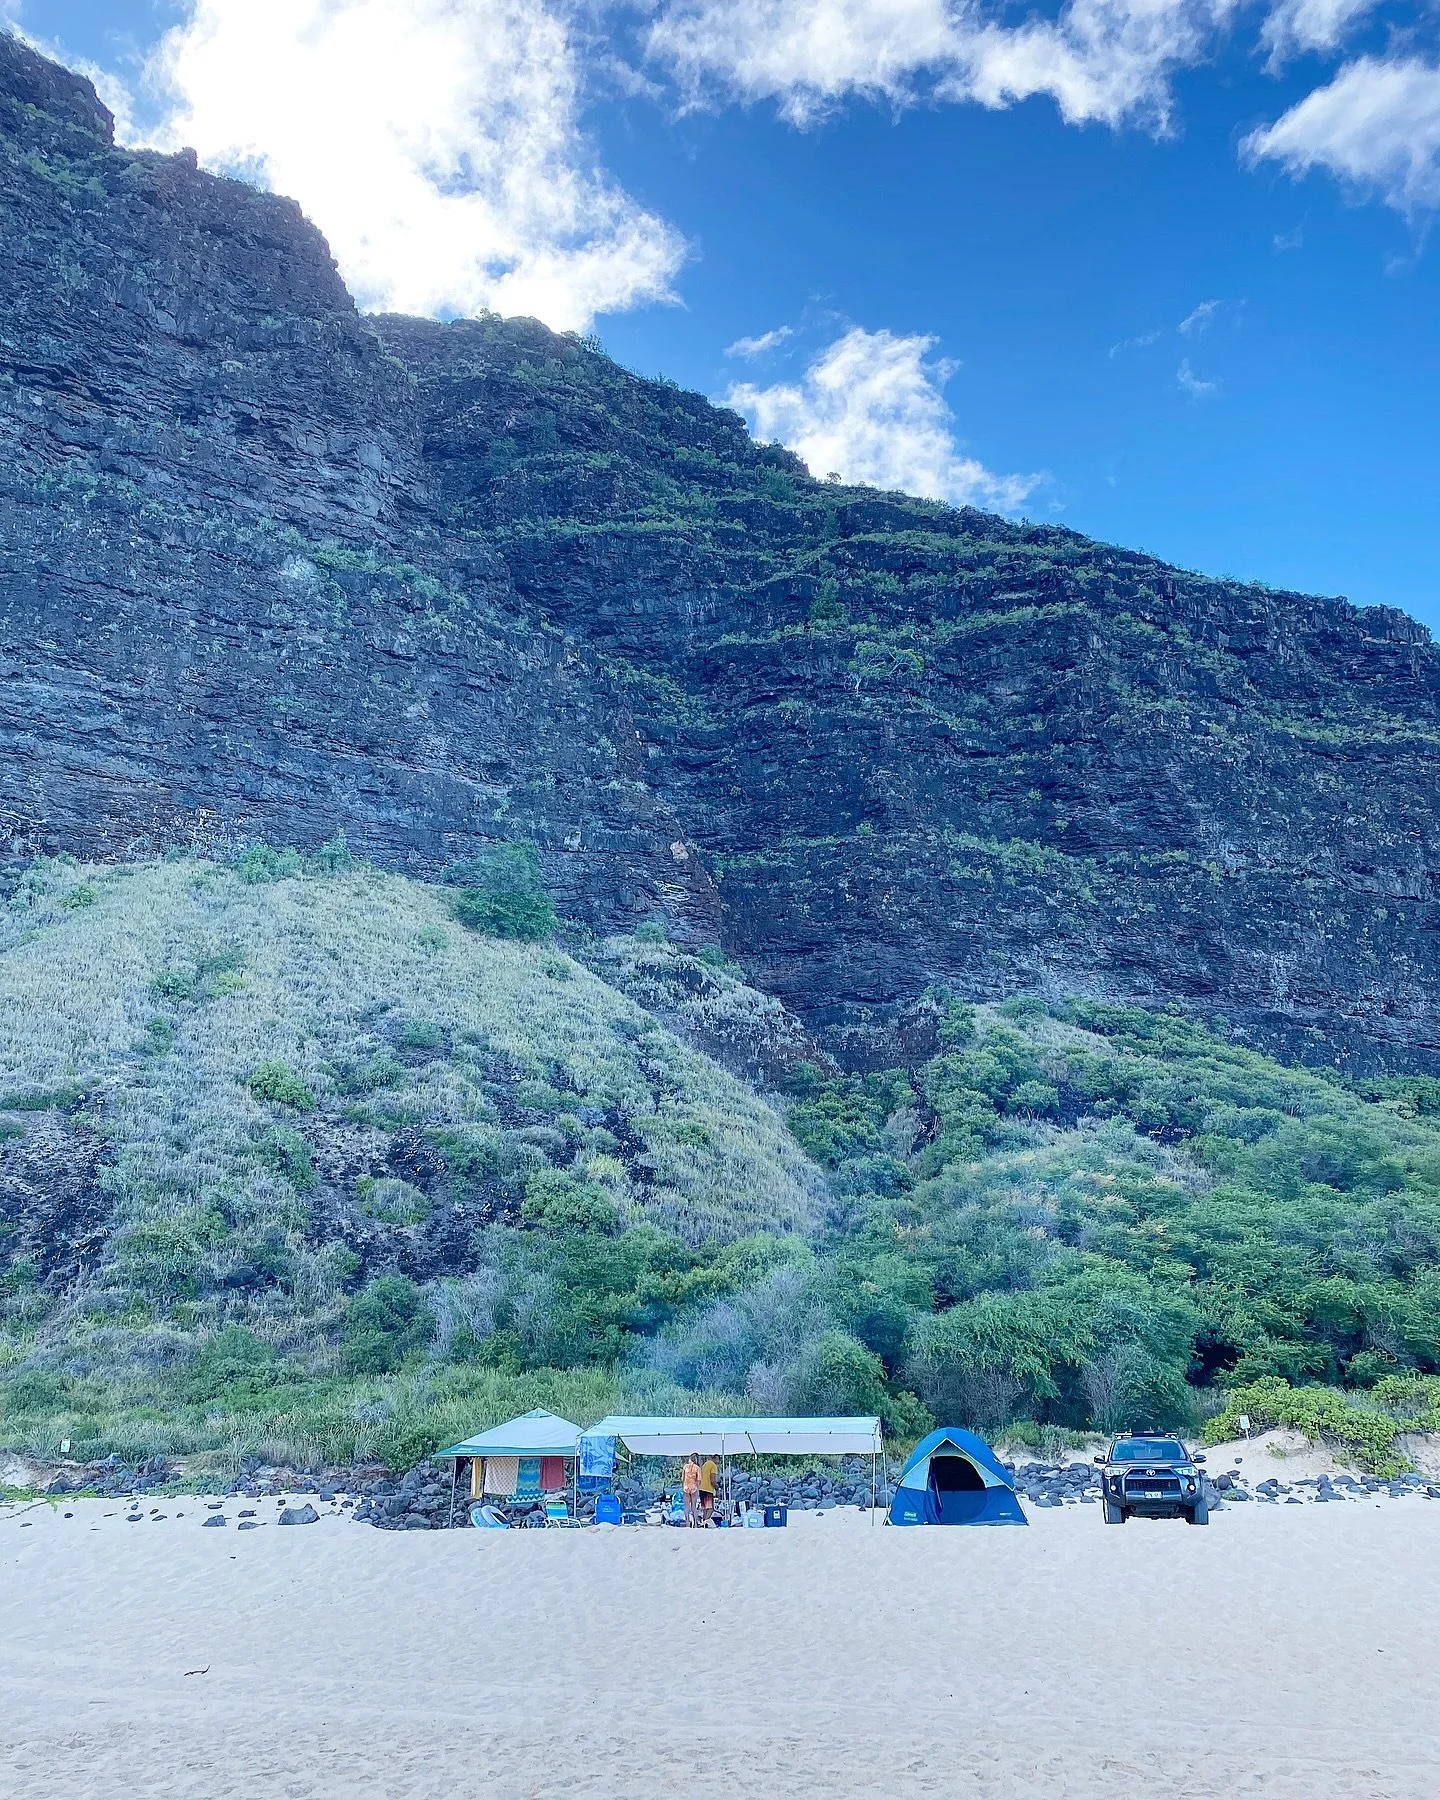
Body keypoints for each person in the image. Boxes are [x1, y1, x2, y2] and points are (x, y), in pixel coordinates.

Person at [681, 1452, 701, 1527]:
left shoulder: (685, 1467)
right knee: (694, 1507)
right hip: (694, 1487)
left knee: (686, 1507)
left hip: (686, 1487)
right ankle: (695, 1523)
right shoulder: (697, 1468)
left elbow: (682, 1478)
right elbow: (698, 1479)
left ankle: (687, 1523)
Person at [699, 1453, 719, 1525]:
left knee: (704, 1508)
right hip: (708, 1489)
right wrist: (717, 1488)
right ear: (716, 1459)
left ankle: (703, 1522)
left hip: (701, 1488)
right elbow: (712, 1480)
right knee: (710, 1508)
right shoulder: (713, 1465)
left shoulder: (705, 1464)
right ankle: (706, 1522)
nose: (718, 1463)